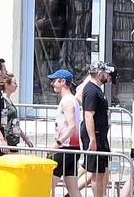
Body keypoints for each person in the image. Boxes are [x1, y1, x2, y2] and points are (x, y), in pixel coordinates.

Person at [80, 61, 114, 197]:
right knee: (96, 173)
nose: (107, 75)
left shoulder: (97, 89)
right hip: (94, 136)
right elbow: (88, 115)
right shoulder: (91, 90)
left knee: (100, 171)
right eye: (106, 73)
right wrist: (92, 139)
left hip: (100, 135)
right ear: (100, 74)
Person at [48, 68, 82, 197]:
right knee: (72, 188)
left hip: (64, 149)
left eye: (54, 81)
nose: (52, 84)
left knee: (48, 184)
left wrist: (58, 143)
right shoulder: (72, 100)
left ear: (62, 81)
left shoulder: (67, 101)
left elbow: (72, 126)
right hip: (72, 148)